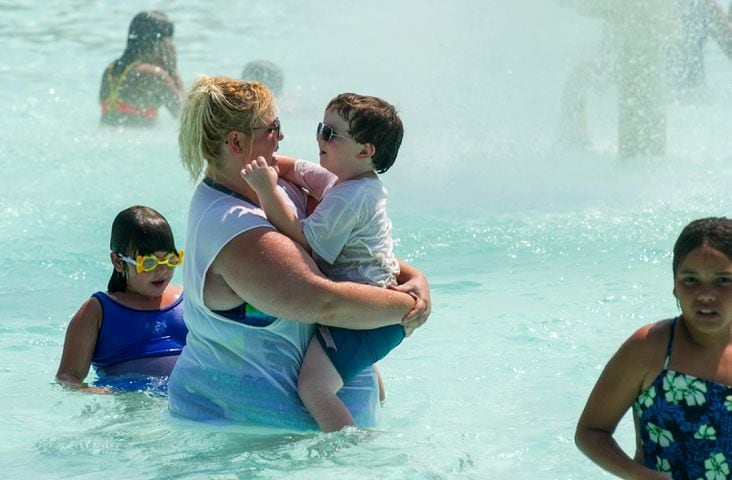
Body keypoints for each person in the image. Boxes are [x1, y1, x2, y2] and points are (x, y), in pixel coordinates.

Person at [170, 75, 430, 432]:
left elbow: (356, 250)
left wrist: (414, 279)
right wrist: (410, 308)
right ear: (235, 142)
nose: (282, 136)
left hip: (311, 444)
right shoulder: (232, 228)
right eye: (272, 128)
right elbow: (325, 301)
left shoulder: (279, 188)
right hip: (250, 439)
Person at [241, 93, 409, 432]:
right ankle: (378, 399)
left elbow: (303, 237)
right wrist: (268, 162)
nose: (319, 137)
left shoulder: (350, 197)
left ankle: (352, 452)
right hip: (369, 308)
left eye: (330, 134)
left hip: (366, 312)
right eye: (321, 128)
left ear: (365, 151)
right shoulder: (350, 182)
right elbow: (300, 170)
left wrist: (265, 189)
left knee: (313, 387)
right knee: (352, 362)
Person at [576, 217, 732, 479]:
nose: (706, 294)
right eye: (690, 279)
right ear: (674, 286)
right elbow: (591, 432)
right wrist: (640, 476)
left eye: (723, 280)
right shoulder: (650, 348)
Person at [558, 0, 732, 158]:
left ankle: (571, 139)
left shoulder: (628, 8)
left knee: (582, 77)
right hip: (690, 106)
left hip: (681, 104)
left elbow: (606, 65)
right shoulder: (701, 6)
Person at [56, 205, 186, 393]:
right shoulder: (98, 311)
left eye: (170, 260)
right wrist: (98, 393)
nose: (162, 270)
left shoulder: (189, 299)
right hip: (133, 407)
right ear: (118, 261)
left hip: (190, 398)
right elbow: (67, 377)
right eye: (148, 262)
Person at [99, 11, 184, 127]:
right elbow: (183, 115)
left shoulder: (109, 71)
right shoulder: (155, 75)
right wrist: (172, 69)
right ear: (159, 43)